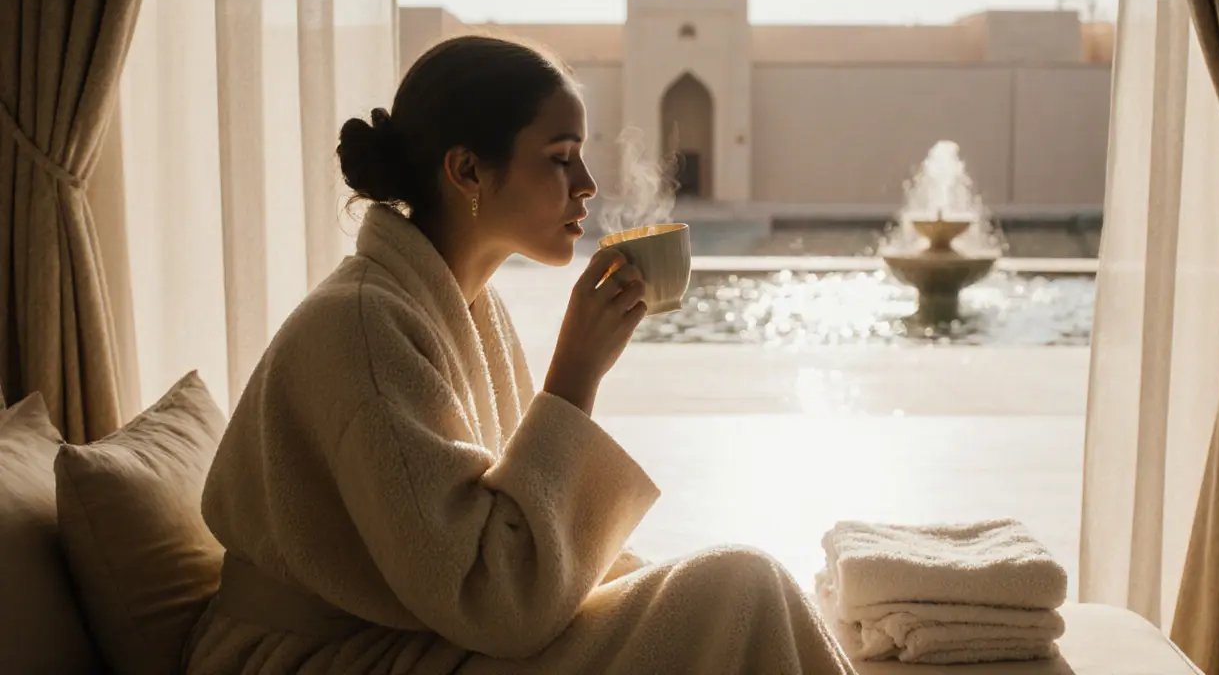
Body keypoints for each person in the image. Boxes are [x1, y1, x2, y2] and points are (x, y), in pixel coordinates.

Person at [185, 34, 853, 674]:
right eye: (561, 157)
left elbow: (509, 542)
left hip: (421, 637)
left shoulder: (461, 302)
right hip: (328, 659)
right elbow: (495, 601)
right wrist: (575, 377)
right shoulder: (361, 327)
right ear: (468, 169)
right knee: (739, 589)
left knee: (731, 592)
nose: (587, 184)